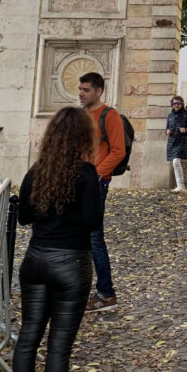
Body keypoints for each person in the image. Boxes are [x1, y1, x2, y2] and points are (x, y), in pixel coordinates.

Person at [12, 106, 101, 372]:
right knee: (59, 347)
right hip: (70, 263)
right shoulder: (86, 173)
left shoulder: (37, 171)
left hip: (35, 260)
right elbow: (93, 222)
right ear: (83, 138)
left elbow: (23, 218)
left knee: (28, 337)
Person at [78, 72, 124, 312]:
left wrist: (95, 174)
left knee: (95, 237)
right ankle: (81, 289)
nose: (81, 93)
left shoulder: (110, 115)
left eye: (85, 89)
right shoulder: (82, 115)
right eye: (80, 89)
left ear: (98, 91)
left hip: (96, 184)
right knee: (80, 236)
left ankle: (106, 293)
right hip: (79, 182)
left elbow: (118, 151)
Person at [166, 96, 187, 191]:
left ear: (182, 104)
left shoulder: (186, 115)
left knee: (176, 162)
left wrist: (186, 130)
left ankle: (180, 185)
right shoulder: (170, 115)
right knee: (174, 162)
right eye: (174, 103)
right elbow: (167, 127)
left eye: (178, 103)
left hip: (182, 140)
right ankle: (180, 185)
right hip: (172, 140)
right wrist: (167, 131)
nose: (176, 105)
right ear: (172, 105)